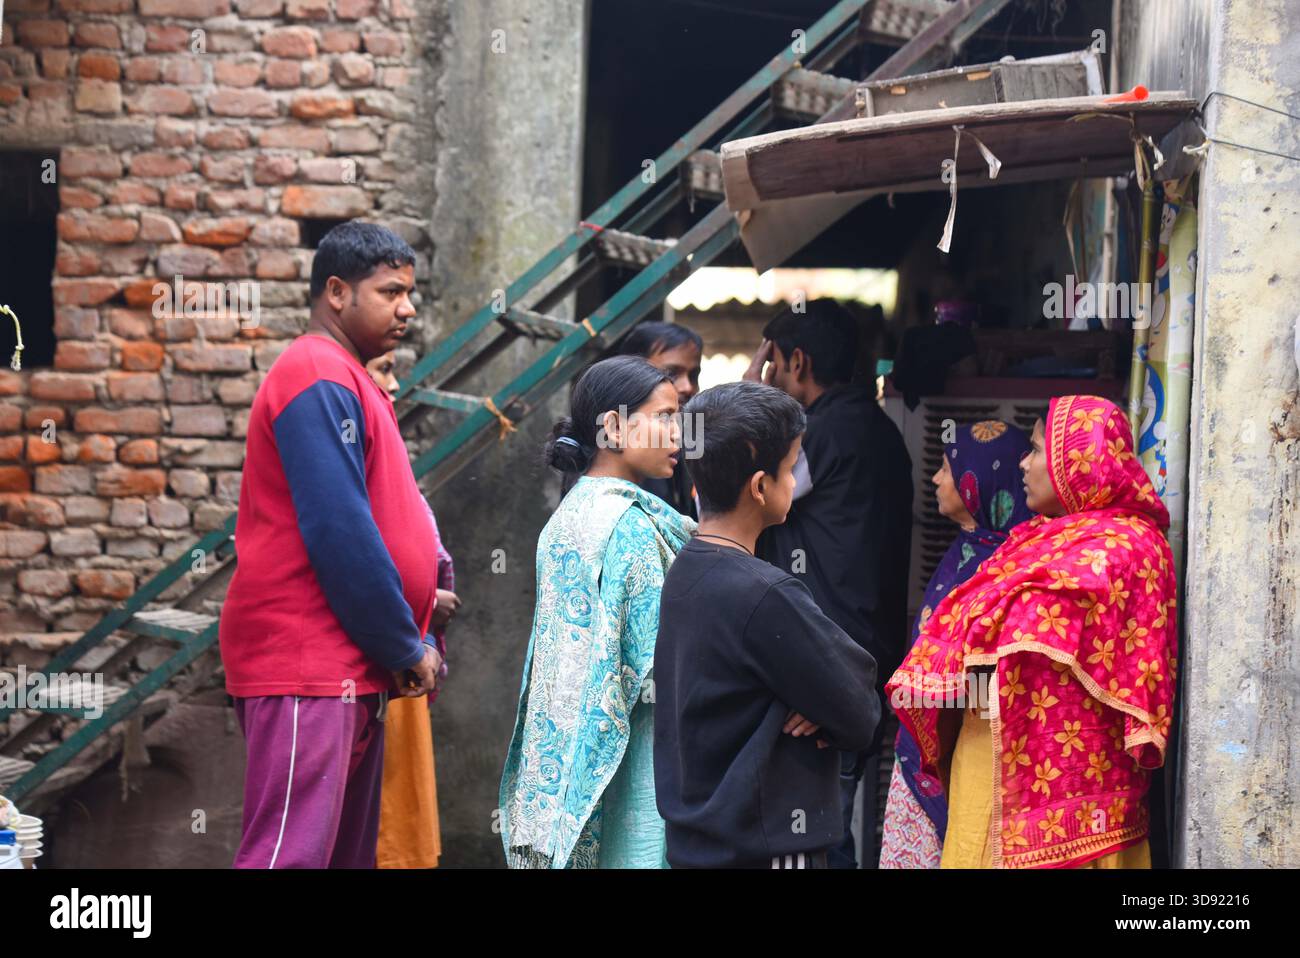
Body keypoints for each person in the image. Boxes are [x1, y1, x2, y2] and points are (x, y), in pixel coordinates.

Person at [219, 221, 442, 869]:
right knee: (287, 858)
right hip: (307, 663)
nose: (409, 308)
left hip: (347, 667)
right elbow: (339, 529)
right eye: (391, 291)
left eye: (411, 293)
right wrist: (402, 642)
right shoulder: (316, 370)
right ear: (337, 292)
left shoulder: (351, 377)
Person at [886, 395, 1178, 868]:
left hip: (1076, 797)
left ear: (1077, 461)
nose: (1025, 462)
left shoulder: (1126, 548)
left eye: (1038, 449)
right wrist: (953, 687)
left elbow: (1022, 650)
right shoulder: (1036, 540)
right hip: (990, 759)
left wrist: (960, 679)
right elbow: (981, 651)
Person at [654, 381, 880, 869]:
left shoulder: (685, 570)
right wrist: (807, 698)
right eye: (791, 468)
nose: (795, 483)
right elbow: (859, 707)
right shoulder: (767, 594)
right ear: (760, 487)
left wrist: (811, 696)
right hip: (766, 848)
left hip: (698, 844)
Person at [499, 355, 696, 868]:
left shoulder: (571, 515)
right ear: (612, 426)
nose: (679, 433)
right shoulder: (629, 526)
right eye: (665, 416)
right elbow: (665, 664)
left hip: (563, 763)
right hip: (634, 759)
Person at [745, 299, 913, 868]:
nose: (769, 376)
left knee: (812, 839)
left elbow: (750, 496)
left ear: (798, 360)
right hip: (864, 657)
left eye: (772, 366)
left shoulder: (823, 431)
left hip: (832, 665)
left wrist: (749, 403)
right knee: (825, 831)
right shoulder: (878, 429)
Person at [878, 420, 1033, 869]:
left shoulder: (1004, 572)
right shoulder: (966, 552)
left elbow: (987, 692)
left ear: (977, 484)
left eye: (946, 468)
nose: (936, 478)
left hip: (966, 752)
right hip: (929, 747)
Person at [364, 351, 462, 870]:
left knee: (399, 822)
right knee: (378, 831)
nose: (395, 386)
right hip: (378, 660)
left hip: (405, 662)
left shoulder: (388, 462)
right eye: (382, 370)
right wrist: (422, 604)